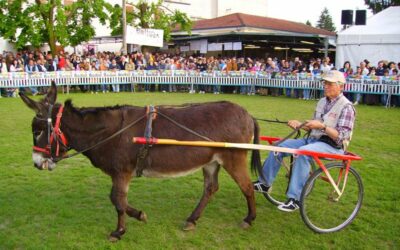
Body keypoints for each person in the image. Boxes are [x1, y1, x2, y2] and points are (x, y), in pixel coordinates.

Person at [253, 70, 356, 212]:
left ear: (341, 86)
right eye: (325, 83)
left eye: (329, 84)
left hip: (333, 145)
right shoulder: (322, 102)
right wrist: (300, 124)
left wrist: (322, 126)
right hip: (313, 140)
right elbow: (314, 127)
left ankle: (294, 199)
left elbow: (341, 136)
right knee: (278, 147)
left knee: (303, 153)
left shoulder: (346, 107)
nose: (325, 86)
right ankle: (264, 183)